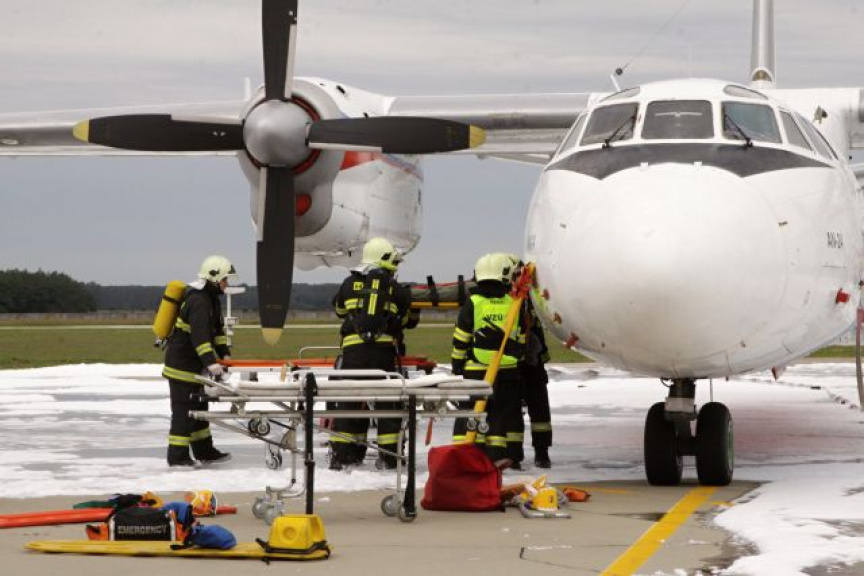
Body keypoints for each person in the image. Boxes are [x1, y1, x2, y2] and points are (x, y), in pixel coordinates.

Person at [329, 237, 417, 470]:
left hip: (353, 355)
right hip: (382, 356)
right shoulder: (396, 289)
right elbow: (406, 321)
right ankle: (389, 458)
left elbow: (339, 310)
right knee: (388, 406)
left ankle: (344, 456)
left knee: (350, 403)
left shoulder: (349, 284)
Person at [450, 253, 526, 464]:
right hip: (508, 371)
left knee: (470, 413)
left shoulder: (473, 303)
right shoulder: (514, 303)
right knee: (500, 417)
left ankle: (464, 457)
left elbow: (461, 338)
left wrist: (457, 365)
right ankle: (496, 459)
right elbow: (521, 338)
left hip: (476, 372)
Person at [161, 255, 236, 468]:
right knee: (183, 413)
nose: (227, 284)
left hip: (195, 368)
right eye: (225, 279)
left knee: (199, 410)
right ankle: (177, 457)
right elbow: (200, 338)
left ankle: (205, 451)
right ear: (214, 277)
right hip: (182, 367)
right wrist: (212, 363)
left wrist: (224, 354)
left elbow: (217, 332)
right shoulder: (199, 301)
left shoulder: (211, 299)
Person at [500, 254, 554, 469]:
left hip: (532, 362)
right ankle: (514, 455)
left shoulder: (533, 295)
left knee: (539, 410)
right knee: (513, 411)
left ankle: (542, 453)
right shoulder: (504, 298)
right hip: (513, 361)